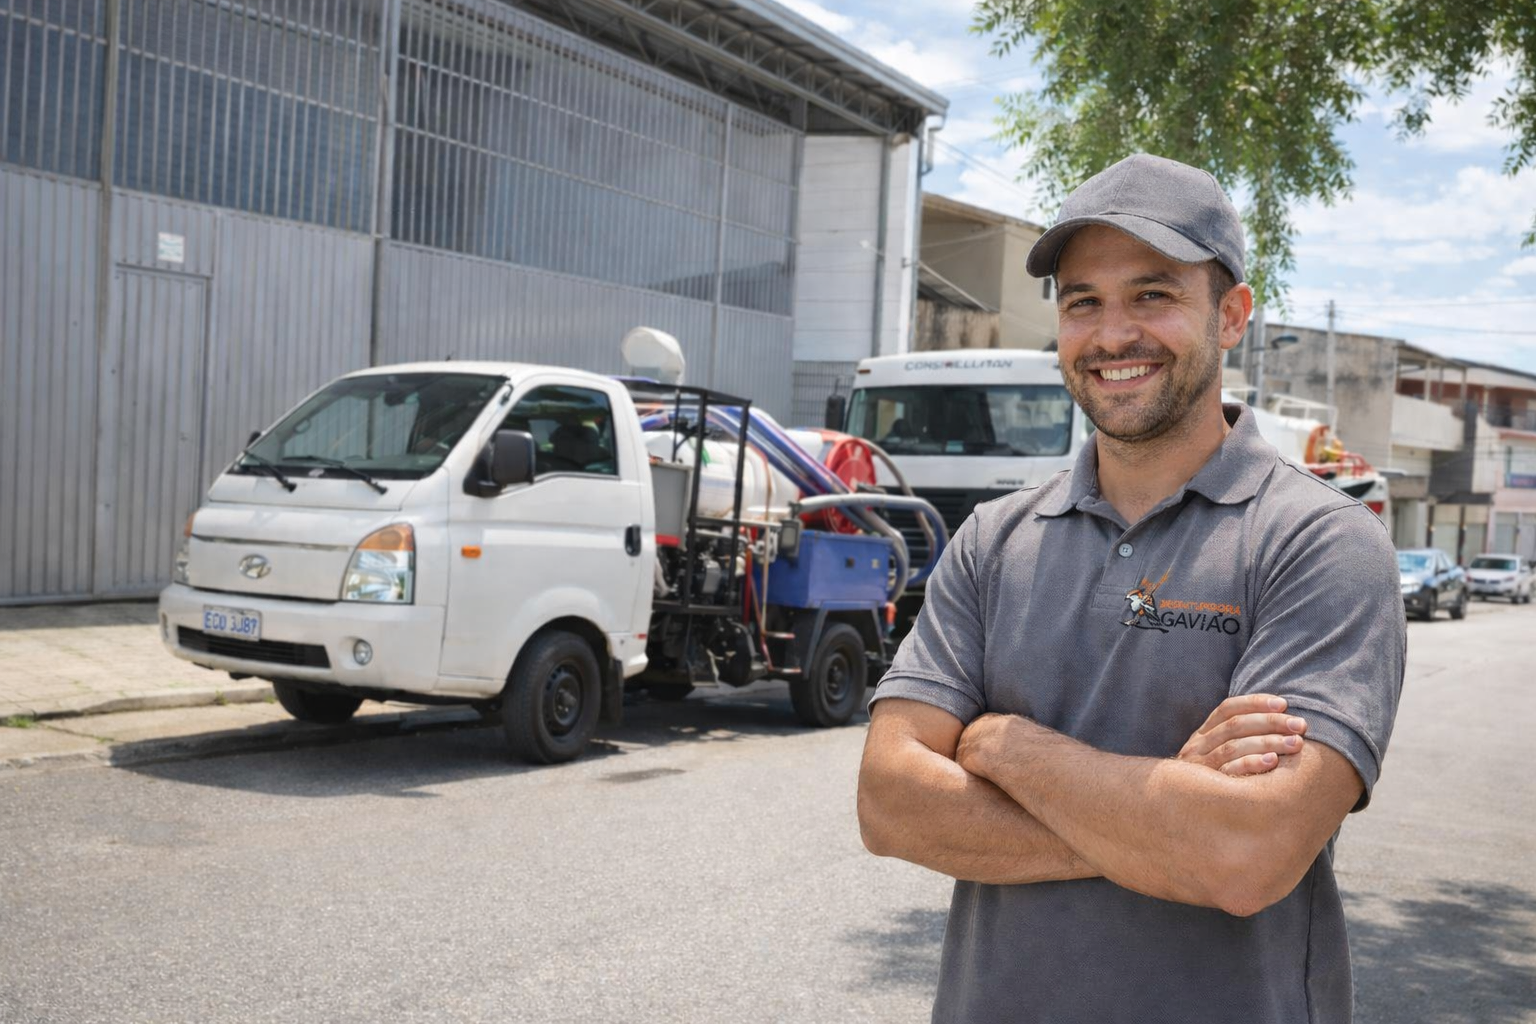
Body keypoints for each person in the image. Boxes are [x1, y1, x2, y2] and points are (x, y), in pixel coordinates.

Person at [857, 153, 1405, 1024]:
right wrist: (1161, 814)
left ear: (1231, 315)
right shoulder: (995, 541)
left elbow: (1246, 854)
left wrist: (1005, 750)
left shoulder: (1321, 542)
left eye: (1152, 294)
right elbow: (889, 805)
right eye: (1084, 302)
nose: (1113, 335)